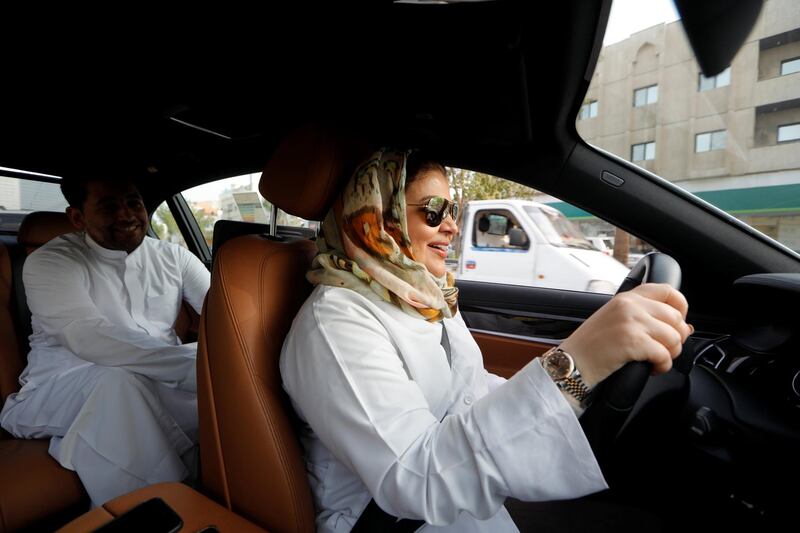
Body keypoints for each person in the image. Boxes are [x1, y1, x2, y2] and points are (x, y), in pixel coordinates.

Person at [280, 149, 692, 532]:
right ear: (377, 217)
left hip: (455, 498)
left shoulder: (423, 295)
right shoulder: (335, 321)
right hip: (389, 520)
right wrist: (572, 364)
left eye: (452, 209)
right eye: (433, 211)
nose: (453, 225)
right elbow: (413, 479)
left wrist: (578, 388)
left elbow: (471, 391)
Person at [0, 176, 210, 506]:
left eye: (134, 203)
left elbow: (225, 314)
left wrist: (227, 365)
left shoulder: (174, 257)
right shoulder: (50, 262)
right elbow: (90, 337)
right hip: (61, 388)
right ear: (78, 218)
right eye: (109, 207)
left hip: (160, 383)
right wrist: (201, 369)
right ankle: (166, 509)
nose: (126, 215)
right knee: (120, 383)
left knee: (217, 386)